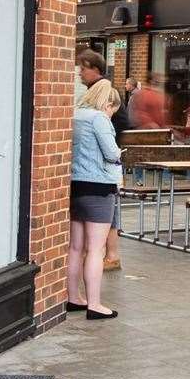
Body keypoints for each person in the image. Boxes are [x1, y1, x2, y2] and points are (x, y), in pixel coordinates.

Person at [67, 76, 122, 320]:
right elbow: (110, 154)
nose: (112, 114)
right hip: (99, 187)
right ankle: (95, 305)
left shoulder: (76, 114)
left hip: (76, 184)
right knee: (96, 249)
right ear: (107, 103)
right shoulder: (99, 119)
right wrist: (120, 152)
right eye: (113, 110)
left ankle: (73, 297)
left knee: (75, 247)